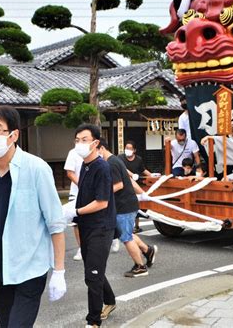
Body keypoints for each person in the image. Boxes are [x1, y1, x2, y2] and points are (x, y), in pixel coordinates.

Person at [0, 104, 66, 327]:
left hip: (30, 269)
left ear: (13, 135)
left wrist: (59, 271)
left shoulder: (36, 168)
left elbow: (55, 223)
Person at [64, 124, 117, 327]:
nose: (79, 143)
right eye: (77, 140)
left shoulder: (102, 167)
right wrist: (72, 211)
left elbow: (102, 202)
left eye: (84, 140)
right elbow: (84, 196)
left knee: (92, 276)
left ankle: (93, 321)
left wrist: (76, 212)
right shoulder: (84, 166)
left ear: (95, 143)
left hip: (101, 227)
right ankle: (110, 301)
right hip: (86, 225)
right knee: (93, 269)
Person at [98, 138, 158, 282]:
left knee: (126, 238)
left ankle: (140, 267)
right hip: (126, 204)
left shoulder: (112, 163)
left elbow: (118, 185)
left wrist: (101, 194)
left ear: (101, 148)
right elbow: (129, 179)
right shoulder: (116, 160)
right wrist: (141, 193)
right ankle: (147, 250)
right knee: (126, 233)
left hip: (124, 205)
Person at [118, 140, 152, 233]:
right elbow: (123, 169)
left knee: (137, 206)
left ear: (134, 150)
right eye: (126, 148)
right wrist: (132, 175)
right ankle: (126, 226)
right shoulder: (120, 158)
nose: (127, 150)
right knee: (127, 205)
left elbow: (143, 170)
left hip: (136, 185)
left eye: (130, 148)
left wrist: (152, 176)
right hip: (124, 184)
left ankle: (136, 226)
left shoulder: (138, 159)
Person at [64, 147, 85, 260]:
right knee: (76, 222)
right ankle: (81, 248)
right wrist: (82, 185)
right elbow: (70, 173)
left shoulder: (97, 152)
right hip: (76, 193)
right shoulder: (73, 153)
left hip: (93, 193)